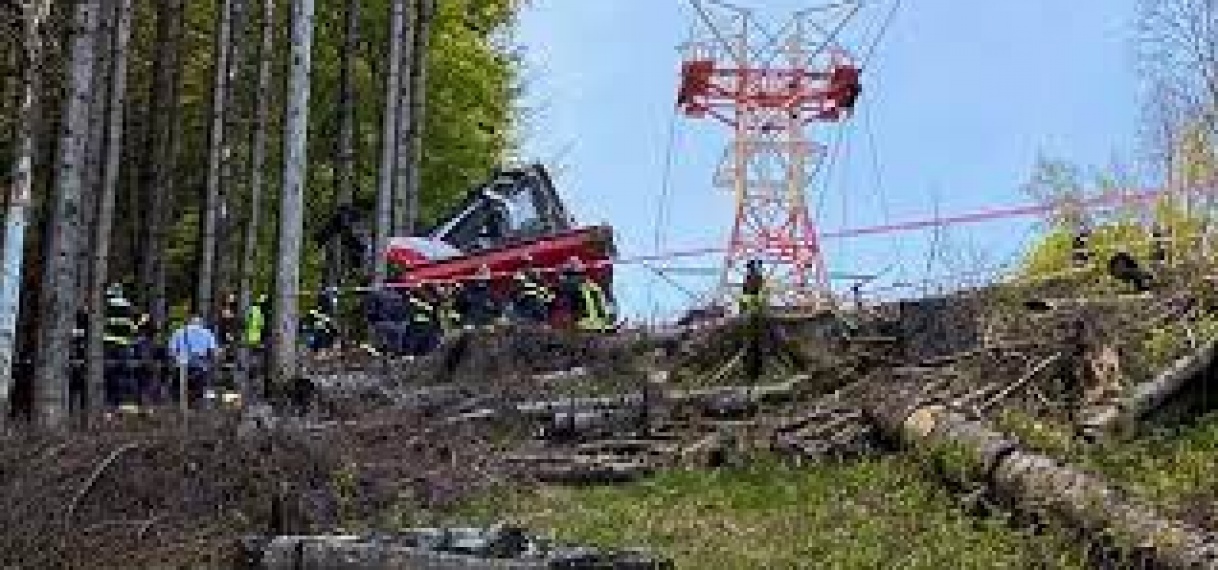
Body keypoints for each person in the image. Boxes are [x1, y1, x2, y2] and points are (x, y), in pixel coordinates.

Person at [168, 316, 220, 407]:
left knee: (179, 390)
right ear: (201, 323)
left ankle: (181, 408)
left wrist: (177, 360)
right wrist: (212, 363)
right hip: (200, 366)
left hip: (182, 365)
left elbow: (172, 350)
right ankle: (196, 408)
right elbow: (214, 351)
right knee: (199, 391)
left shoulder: (179, 332)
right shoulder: (207, 333)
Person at [103, 284, 140, 411]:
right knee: (124, 373)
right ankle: (123, 403)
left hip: (107, 343)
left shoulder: (104, 305)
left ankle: (108, 402)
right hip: (124, 344)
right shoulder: (128, 306)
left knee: (108, 374)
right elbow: (134, 328)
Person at [557, 257, 613, 332]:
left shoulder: (572, 284)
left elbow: (563, 289)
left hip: (586, 326)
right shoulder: (593, 285)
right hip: (604, 326)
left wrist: (560, 274)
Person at [510, 254, 554, 325]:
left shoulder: (534, 272)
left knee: (547, 298)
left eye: (528, 263)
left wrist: (547, 288)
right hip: (525, 299)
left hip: (536, 297)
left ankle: (544, 320)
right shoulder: (519, 274)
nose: (527, 265)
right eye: (525, 263)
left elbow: (542, 283)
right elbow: (519, 287)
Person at [457, 265, 502, 329]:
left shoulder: (492, 291)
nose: (482, 278)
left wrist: (496, 314)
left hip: (487, 322)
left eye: (484, 274)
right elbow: (462, 306)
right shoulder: (468, 290)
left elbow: (498, 307)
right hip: (473, 322)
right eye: (481, 274)